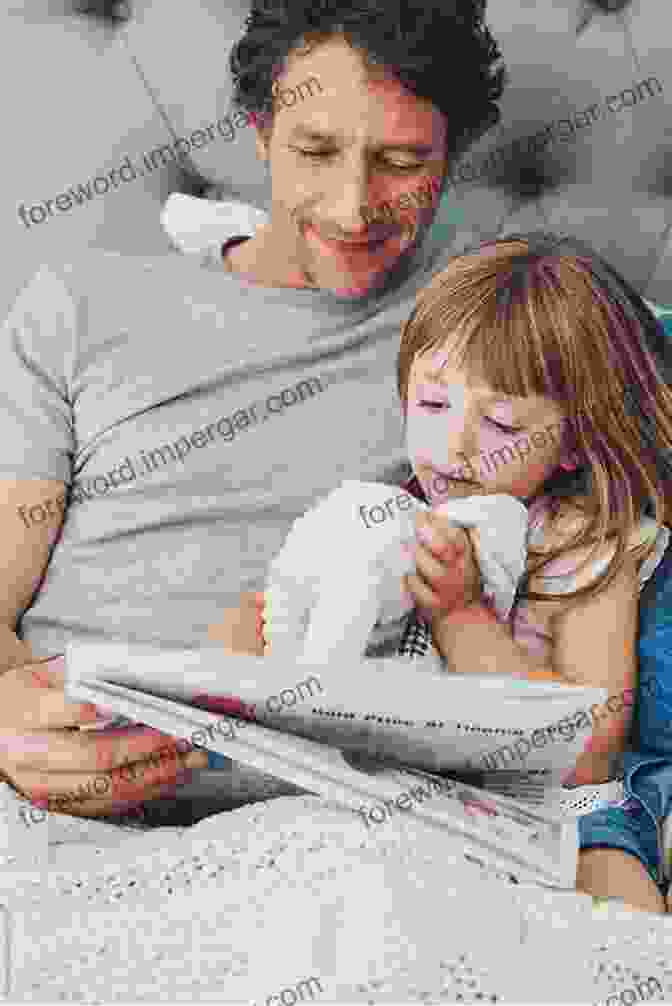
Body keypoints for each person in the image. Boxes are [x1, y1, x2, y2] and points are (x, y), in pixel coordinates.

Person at [0, 0, 507, 822]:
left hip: (321, 812)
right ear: (260, 131)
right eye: (315, 150)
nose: (352, 207)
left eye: (403, 161)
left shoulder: (481, 329)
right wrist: (14, 721)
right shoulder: (81, 302)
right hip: (57, 766)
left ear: (454, 155)